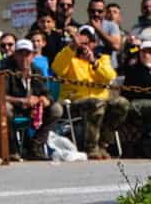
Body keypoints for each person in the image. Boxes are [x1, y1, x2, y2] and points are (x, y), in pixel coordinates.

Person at [53, 27, 128, 158]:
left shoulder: (102, 59)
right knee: (97, 104)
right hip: (75, 102)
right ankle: (91, 147)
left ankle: (103, 144)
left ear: (94, 44)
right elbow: (57, 68)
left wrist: (93, 62)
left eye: (89, 42)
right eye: (82, 43)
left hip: (100, 102)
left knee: (122, 104)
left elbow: (110, 76)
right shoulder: (69, 57)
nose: (85, 46)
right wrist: (71, 47)